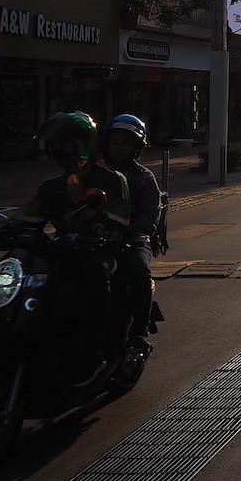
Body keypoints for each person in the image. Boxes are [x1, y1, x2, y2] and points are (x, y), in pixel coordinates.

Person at [21, 111, 131, 385]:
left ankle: (93, 357)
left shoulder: (111, 180)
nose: (60, 150)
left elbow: (116, 231)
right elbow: (28, 222)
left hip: (99, 252)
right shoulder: (51, 185)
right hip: (62, 252)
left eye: (66, 143)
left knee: (95, 275)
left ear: (84, 144)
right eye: (56, 144)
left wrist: (82, 204)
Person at [100, 114, 162, 354]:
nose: (119, 148)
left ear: (136, 147)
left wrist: (131, 229)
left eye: (125, 143)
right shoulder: (95, 174)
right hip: (96, 239)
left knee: (139, 271)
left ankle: (139, 330)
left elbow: (149, 214)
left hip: (133, 241)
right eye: (115, 142)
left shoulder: (144, 177)